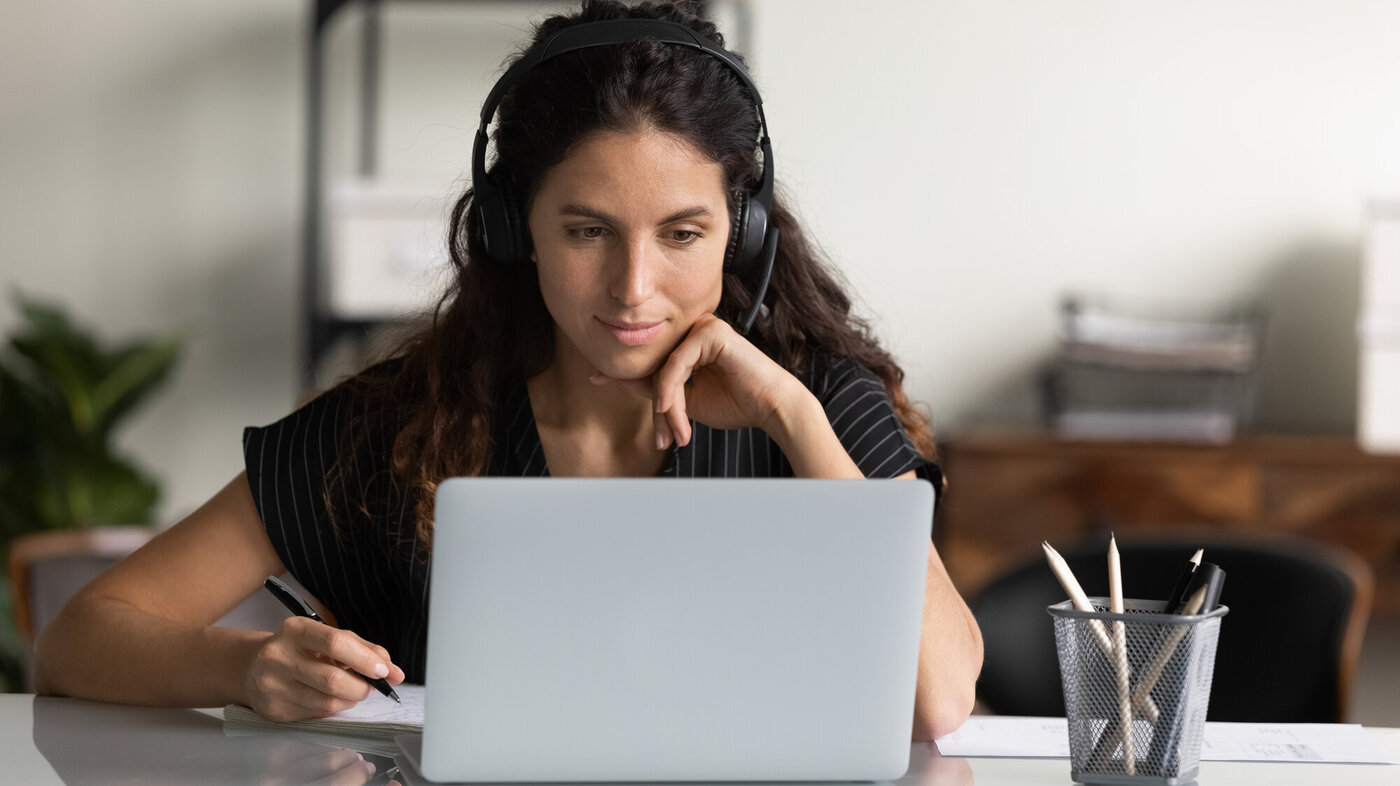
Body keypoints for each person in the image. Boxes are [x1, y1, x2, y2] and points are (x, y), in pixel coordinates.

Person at [34, 0, 983, 742]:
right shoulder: (406, 423)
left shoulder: (812, 402)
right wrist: (239, 669)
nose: (634, 288)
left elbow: (939, 699)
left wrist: (790, 413)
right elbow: (79, 638)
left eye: (684, 234)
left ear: (744, 231)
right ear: (511, 227)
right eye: (586, 232)